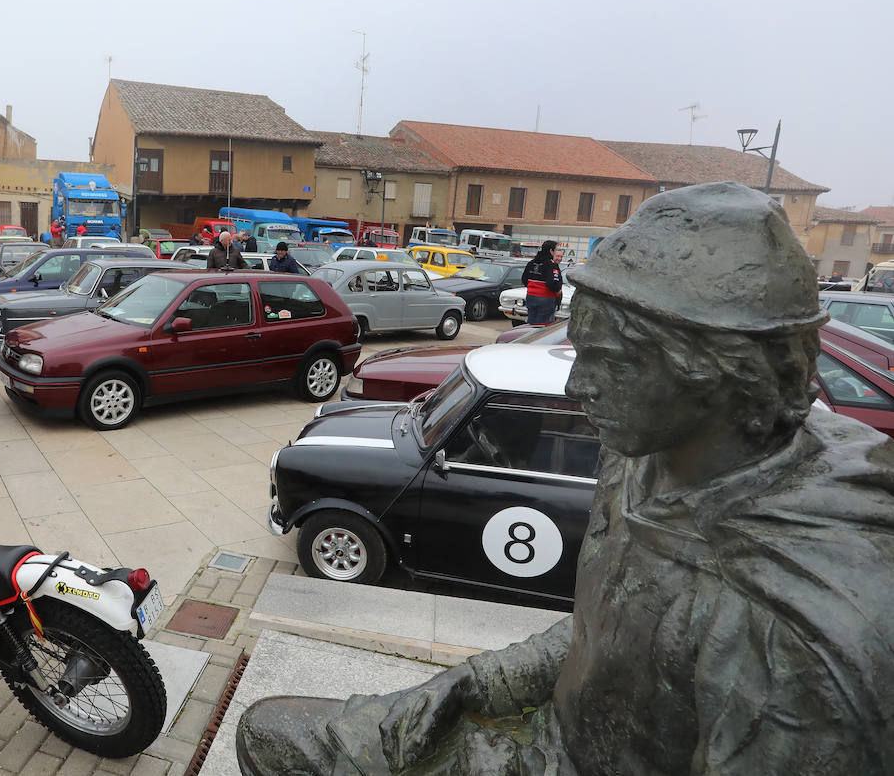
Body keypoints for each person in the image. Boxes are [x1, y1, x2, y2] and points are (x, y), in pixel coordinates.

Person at [236, 181, 894, 776]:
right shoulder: (641, 451)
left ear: (719, 374)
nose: (581, 387)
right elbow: (599, 635)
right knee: (270, 732)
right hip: (550, 739)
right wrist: (466, 685)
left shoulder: (799, 632)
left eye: (613, 360)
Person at [521, 239, 564, 326]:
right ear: (551, 251)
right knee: (544, 327)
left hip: (530, 298)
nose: (555, 252)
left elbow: (524, 279)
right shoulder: (551, 265)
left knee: (531, 324)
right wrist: (558, 291)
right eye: (555, 250)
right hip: (546, 299)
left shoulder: (531, 263)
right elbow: (553, 284)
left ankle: (530, 339)